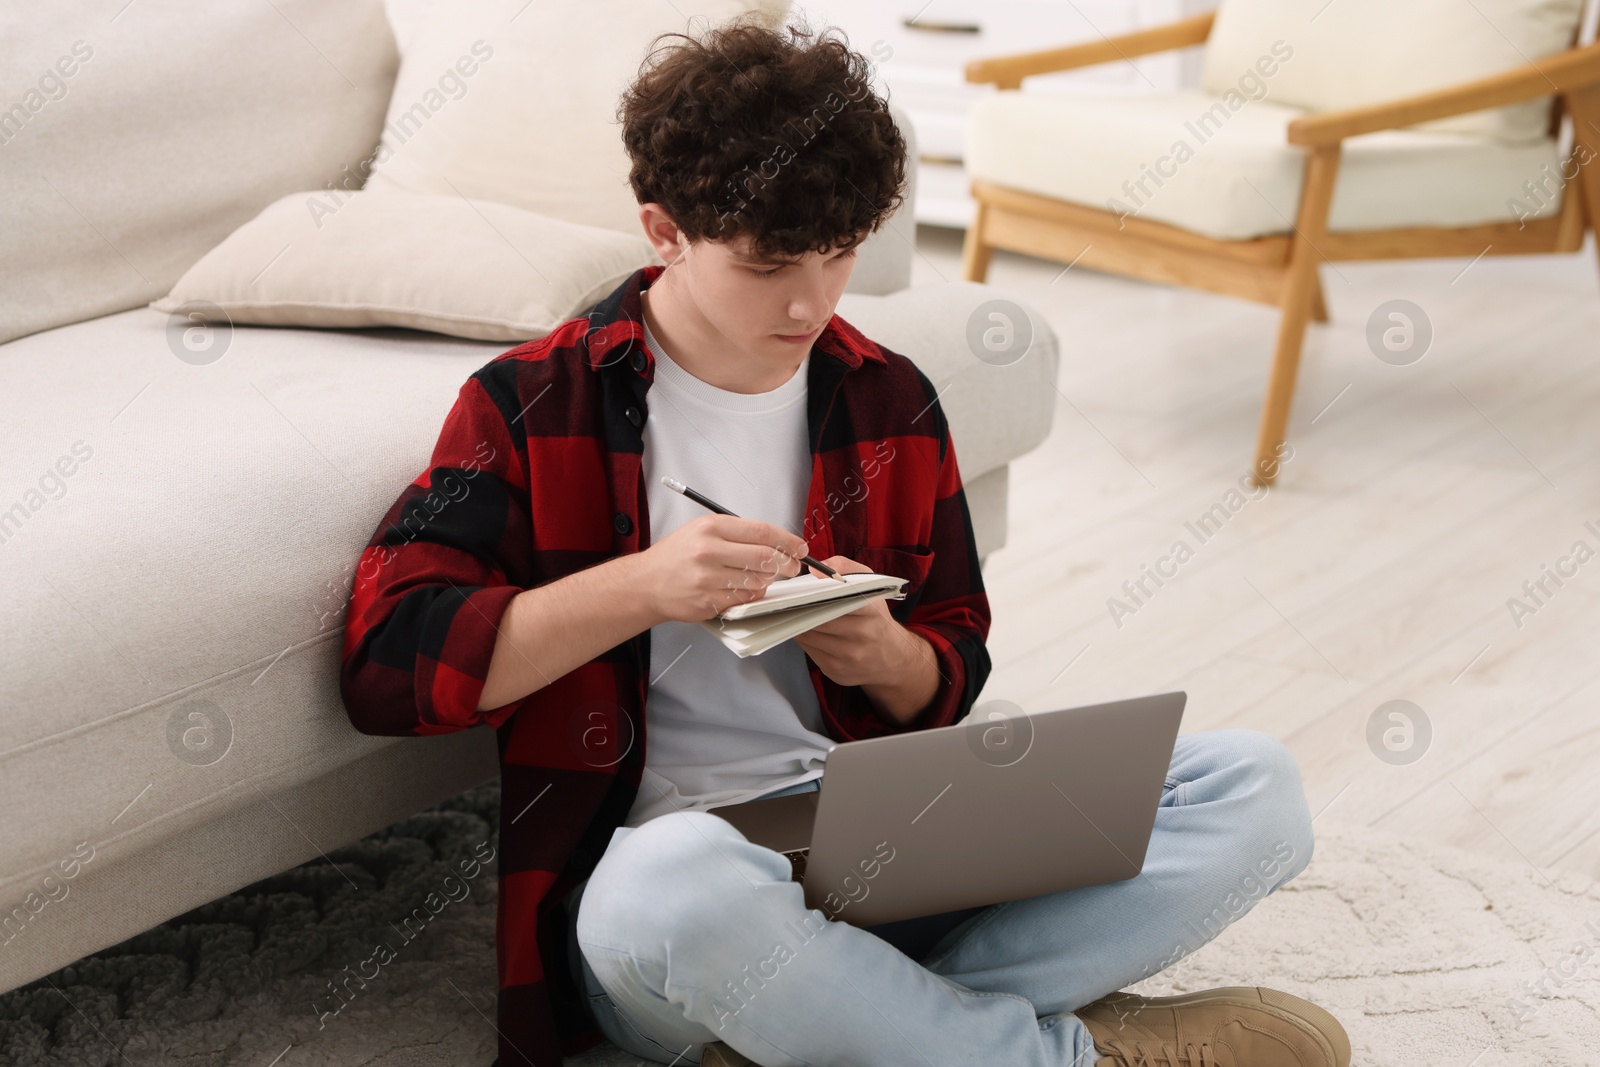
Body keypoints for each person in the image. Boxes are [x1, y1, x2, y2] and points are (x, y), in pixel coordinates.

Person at [340, 17, 1350, 1067]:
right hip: (678, 884)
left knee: (1253, 786)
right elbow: (387, 661)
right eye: (771, 261)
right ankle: (1049, 1053)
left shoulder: (887, 396)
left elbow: (952, 668)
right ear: (664, 229)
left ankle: (829, 1028)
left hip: (879, 843)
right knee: (672, 885)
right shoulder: (535, 401)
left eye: (840, 254)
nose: (813, 301)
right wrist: (639, 586)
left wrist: (889, 656)